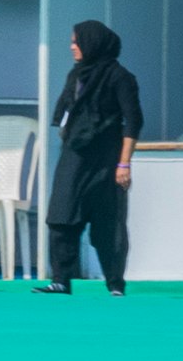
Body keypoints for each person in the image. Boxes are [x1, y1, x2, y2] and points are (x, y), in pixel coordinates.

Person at [39, 20, 142, 295]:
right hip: (74, 156)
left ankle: (114, 283)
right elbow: (67, 113)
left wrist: (124, 163)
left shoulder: (120, 77)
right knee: (61, 215)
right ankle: (61, 279)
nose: (72, 47)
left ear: (92, 43)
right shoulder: (77, 76)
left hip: (107, 159)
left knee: (109, 223)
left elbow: (132, 122)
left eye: (77, 41)